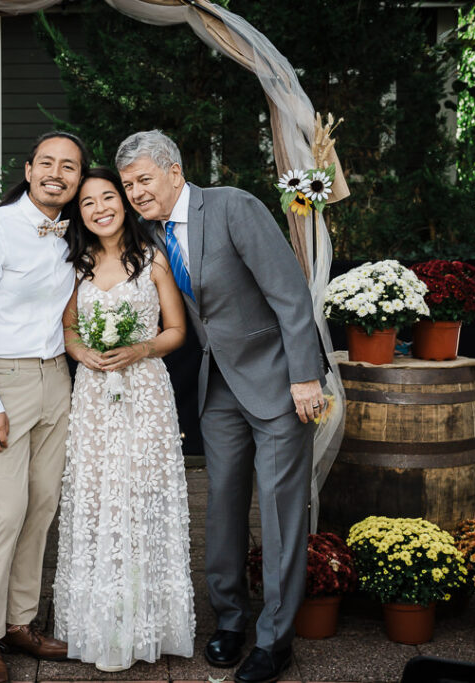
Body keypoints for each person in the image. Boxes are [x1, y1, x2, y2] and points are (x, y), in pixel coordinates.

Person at [117, 130, 326, 683]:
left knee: (280, 514)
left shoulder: (233, 206)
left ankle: (275, 639)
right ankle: (231, 621)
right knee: (222, 507)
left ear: (175, 172)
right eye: (128, 184)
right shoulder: (151, 233)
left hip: (279, 383)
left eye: (143, 179)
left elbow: (289, 292)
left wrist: (306, 376)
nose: (136, 192)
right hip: (219, 388)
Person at [0, 131, 90, 683]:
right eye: (48, 164)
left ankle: (20, 622)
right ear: (29, 170)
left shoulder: (78, 230)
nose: (58, 173)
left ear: (79, 178)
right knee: (3, 512)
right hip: (2, 381)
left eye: (71, 167)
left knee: (41, 506)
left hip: (58, 377)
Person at [53, 167, 196, 672]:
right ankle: (101, 624)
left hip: (146, 392)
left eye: (107, 197)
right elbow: (68, 329)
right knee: (97, 496)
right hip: (94, 394)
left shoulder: (153, 258)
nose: (99, 208)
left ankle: (148, 621)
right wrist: (81, 353)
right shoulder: (76, 265)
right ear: (81, 213)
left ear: (124, 201)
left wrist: (138, 349)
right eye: (87, 203)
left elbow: (177, 330)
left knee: (142, 494)